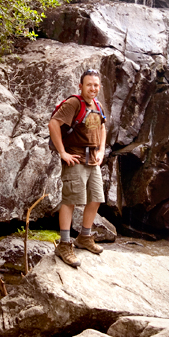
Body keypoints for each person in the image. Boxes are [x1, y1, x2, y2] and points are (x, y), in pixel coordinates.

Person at [48, 69, 107, 267]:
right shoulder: (74, 103)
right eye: (89, 84)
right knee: (70, 200)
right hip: (75, 158)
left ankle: (84, 237)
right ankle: (64, 244)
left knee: (96, 198)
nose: (93, 88)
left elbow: (102, 128)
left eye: (96, 85)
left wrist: (102, 150)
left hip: (93, 160)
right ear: (80, 86)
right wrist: (63, 153)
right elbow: (53, 124)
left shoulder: (97, 105)